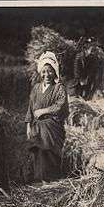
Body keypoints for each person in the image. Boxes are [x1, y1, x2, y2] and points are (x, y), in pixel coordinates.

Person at [25, 51, 69, 183]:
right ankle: (39, 179)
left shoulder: (59, 88)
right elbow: (31, 108)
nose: (46, 75)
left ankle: (50, 179)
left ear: (55, 72)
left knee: (49, 151)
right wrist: (28, 125)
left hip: (52, 127)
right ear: (40, 73)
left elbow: (60, 106)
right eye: (44, 71)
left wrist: (43, 111)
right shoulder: (36, 88)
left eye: (50, 71)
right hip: (36, 126)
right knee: (37, 152)